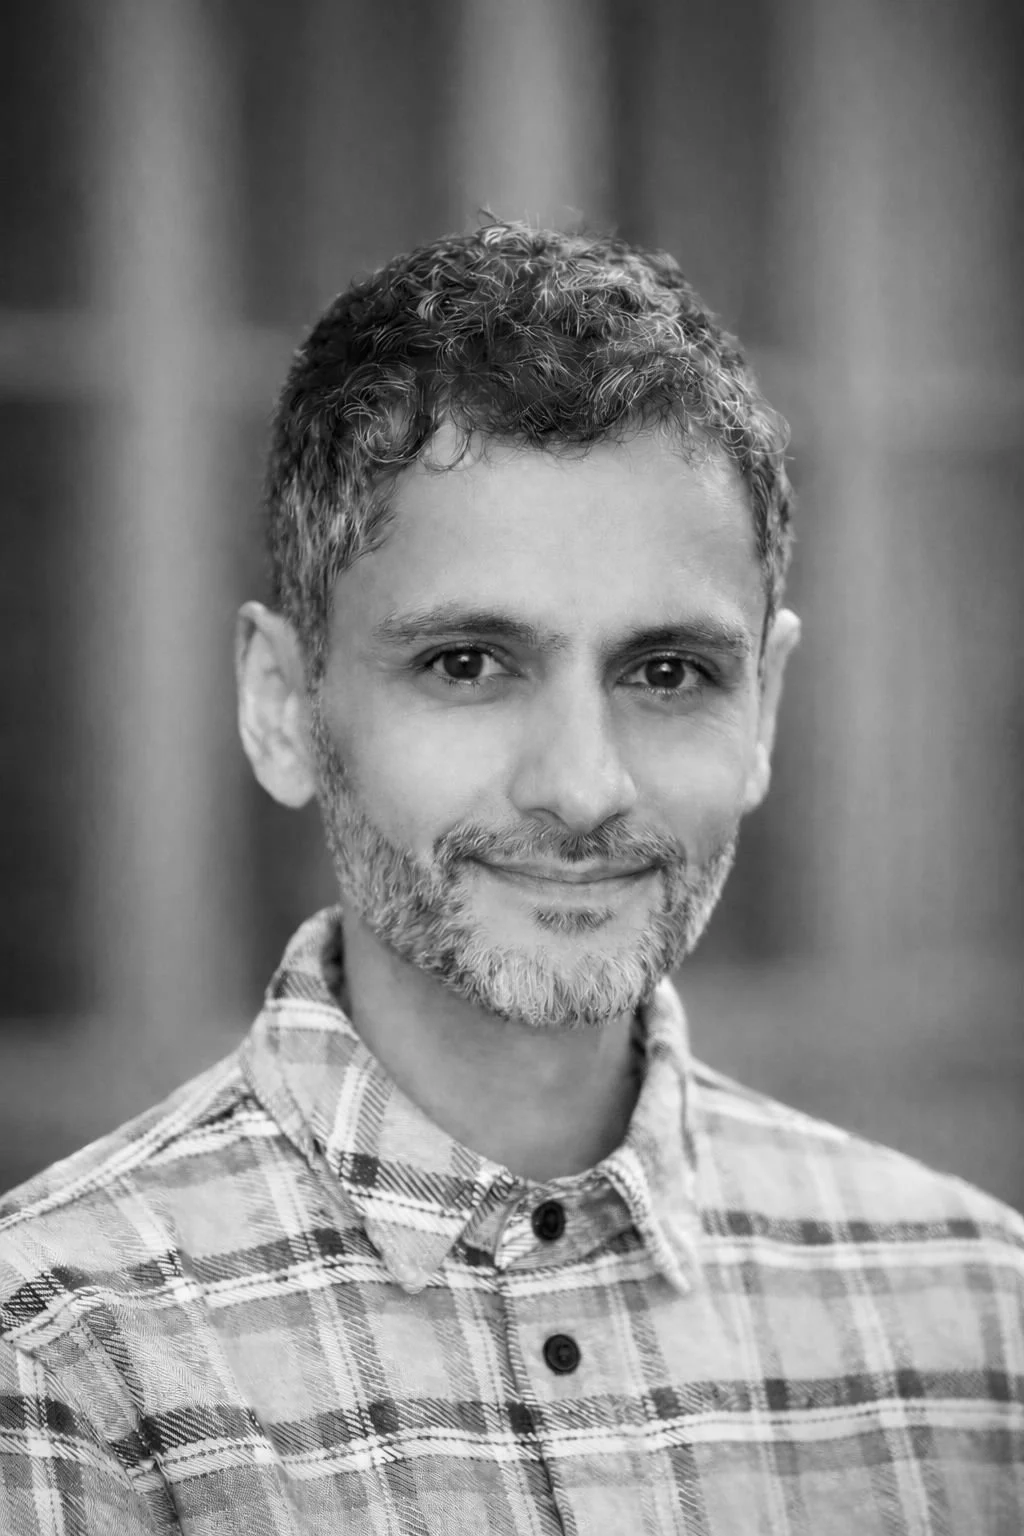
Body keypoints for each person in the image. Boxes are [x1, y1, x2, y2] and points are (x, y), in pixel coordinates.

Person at [0, 223, 1021, 1536]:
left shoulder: (978, 1322)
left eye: (668, 673)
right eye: (469, 664)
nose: (584, 788)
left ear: (764, 707)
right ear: (279, 706)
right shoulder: (59, 1363)